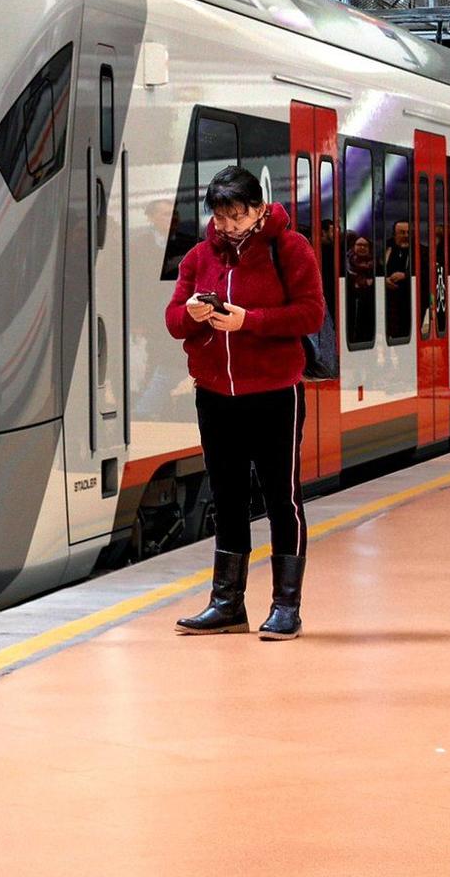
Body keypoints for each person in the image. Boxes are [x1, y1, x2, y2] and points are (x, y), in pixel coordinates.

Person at [165, 165, 325, 641]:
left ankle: (285, 607)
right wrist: (192, 314)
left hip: (276, 393)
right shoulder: (199, 256)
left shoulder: (289, 249)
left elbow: (311, 313)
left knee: (282, 498)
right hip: (216, 395)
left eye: (238, 215)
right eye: (220, 217)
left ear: (259, 209)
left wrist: (248, 321)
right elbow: (174, 320)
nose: (229, 225)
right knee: (227, 498)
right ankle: (227, 604)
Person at [382, 219, 413, 342]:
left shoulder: (420, 251)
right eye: (402, 232)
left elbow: (425, 272)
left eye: (408, 232)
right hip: (388, 302)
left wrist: (405, 275)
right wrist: (384, 281)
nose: (406, 236)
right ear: (394, 234)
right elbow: (376, 270)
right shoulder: (384, 250)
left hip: (409, 302)